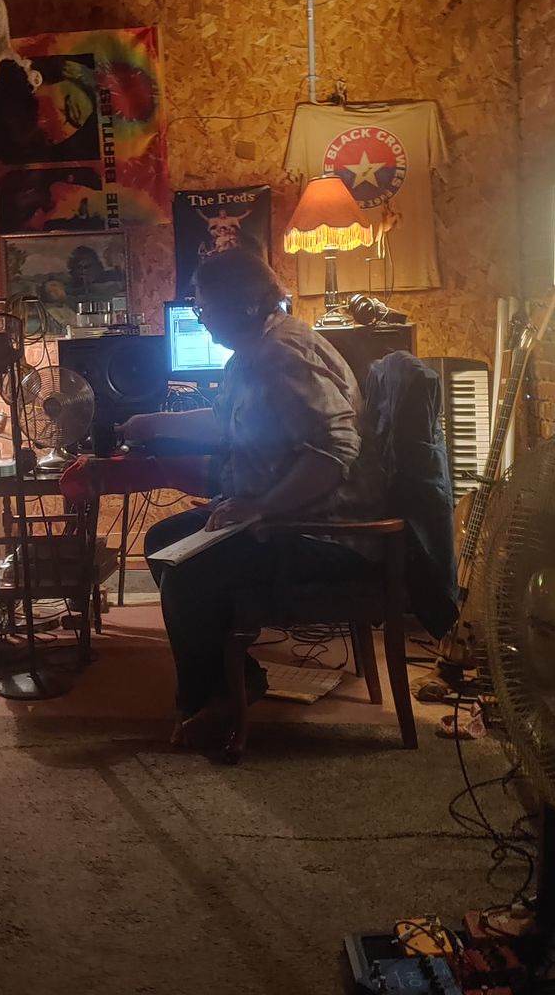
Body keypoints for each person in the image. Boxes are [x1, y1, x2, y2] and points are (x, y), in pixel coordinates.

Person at [121, 249, 376, 747]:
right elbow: (224, 422)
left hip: (324, 531)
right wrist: (152, 423)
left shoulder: (282, 355)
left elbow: (337, 449)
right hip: (287, 516)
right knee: (162, 541)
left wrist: (262, 506)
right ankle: (234, 679)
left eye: (204, 307)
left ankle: (215, 698)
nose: (200, 318)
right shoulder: (252, 353)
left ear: (242, 305)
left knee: (187, 574)